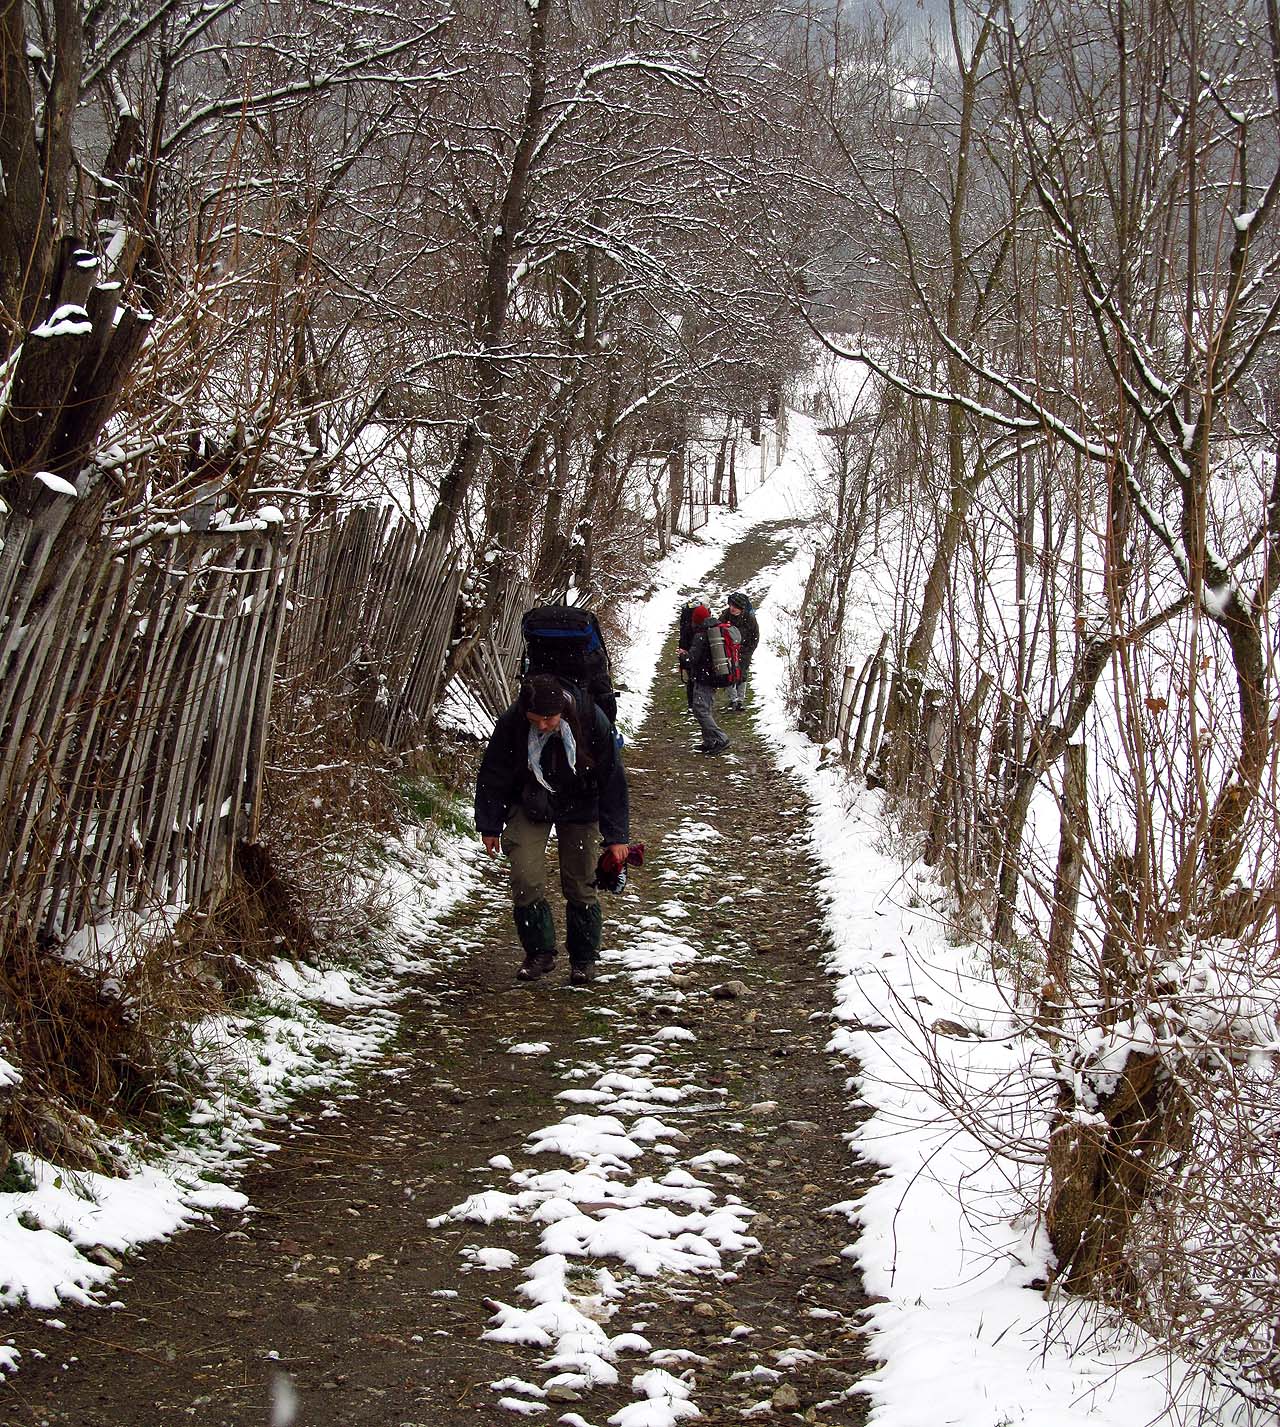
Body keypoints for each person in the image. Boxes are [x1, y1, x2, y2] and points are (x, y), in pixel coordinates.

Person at [475, 673, 630, 984]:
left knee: (580, 880)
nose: (543, 725)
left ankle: (583, 959)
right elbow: (493, 772)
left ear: (563, 710)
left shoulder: (590, 718)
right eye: (537, 719)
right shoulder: (513, 722)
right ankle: (539, 952)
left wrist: (616, 837)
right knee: (524, 876)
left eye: (550, 719)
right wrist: (490, 824)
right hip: (530, 799)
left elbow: (612, 777)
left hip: (581, 802)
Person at [684, 604, 730, 754]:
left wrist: (683, 655)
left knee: (700, 710)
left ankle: (721, 738)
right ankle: (709, 742)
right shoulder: (714, 630)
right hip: (713, 676)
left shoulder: (700, 635)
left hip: (704, 677)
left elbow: (691, 659)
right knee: (705, 708)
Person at [721, 591, 758, 711]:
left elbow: (754, 637)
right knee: (728, 674)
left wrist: (747, 652)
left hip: (744, 651)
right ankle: (733, 699)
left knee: (742, 674)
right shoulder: (725, 616)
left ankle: (740, 700)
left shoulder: (749, 619)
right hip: (728, 651)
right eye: (731, 605)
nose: (732, 608)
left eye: (735, 606)